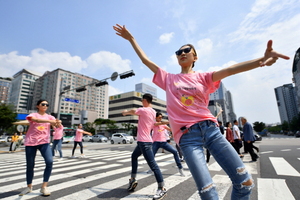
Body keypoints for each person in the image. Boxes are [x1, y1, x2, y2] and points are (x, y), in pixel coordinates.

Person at [113, 24, 289, 199]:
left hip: (211, 130)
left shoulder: (203, 77)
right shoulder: (169, 79)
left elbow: (230, 70)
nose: (182, 53)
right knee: (207, 192)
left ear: (195, 56)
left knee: (245, 182)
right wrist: (132, 39)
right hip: (188, 138)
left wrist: (261, 61)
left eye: (186, 50)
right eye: (178, 52)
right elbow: (146, 61)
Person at [122, 93, 167, 200]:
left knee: (153, 165)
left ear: (145, 100)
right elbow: (152, 124)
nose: (141, 102)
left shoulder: (144, 109)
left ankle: (162, 188)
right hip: (144, 142)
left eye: (142, 100)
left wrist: (125, 112)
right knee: (134, 157)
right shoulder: (153, 112)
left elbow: (133, 110)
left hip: (144, 142)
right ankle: (132, 179)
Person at [19, 99, 58, 196]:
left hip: (44, 142)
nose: (45, 105)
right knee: (30, 165)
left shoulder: (50, 116)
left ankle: (44, 187)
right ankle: (29, 187)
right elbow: (36, 120)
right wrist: (50, 121)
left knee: (49, 161)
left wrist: (58, 123)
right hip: (31, 142)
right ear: (38, 106)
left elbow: (56, 125)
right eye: (43, 104)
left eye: (47, 104)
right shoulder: (33, 115)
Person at [151, 112, 185, 176]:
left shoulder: (163, 125)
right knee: (151, 156)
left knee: (175, 152)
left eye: (161, 117)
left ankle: (180, 168)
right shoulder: (153, 123)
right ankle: (152, 169)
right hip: (155, 142)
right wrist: (171, 121)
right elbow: (161, 123)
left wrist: (177, 127)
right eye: (159, 117)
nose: (161, 118)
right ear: (156, 117)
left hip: (164, 142)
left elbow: (170, 129)